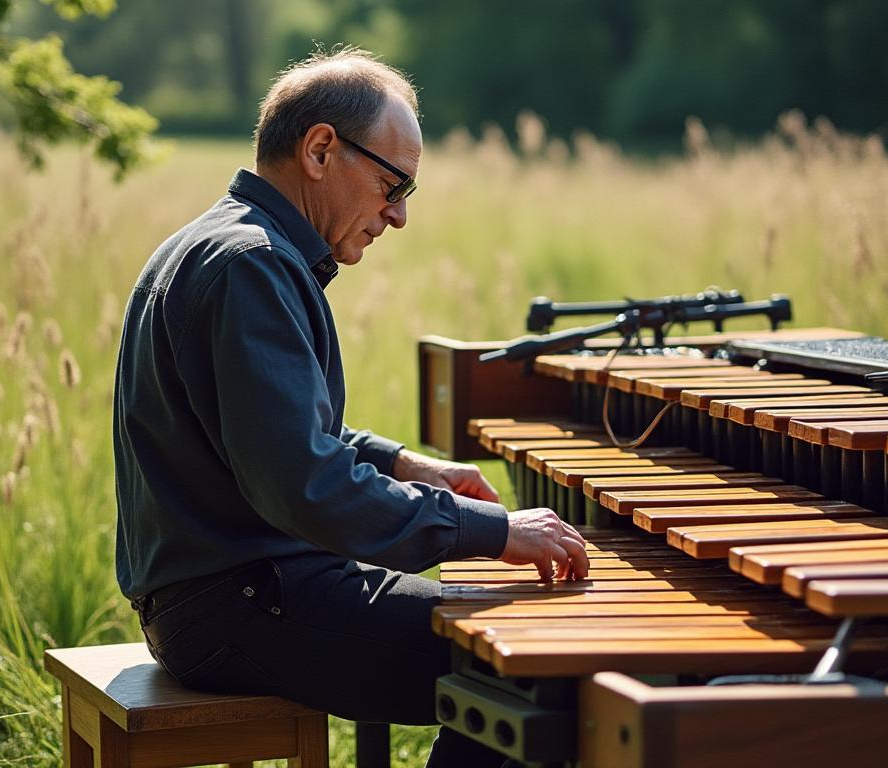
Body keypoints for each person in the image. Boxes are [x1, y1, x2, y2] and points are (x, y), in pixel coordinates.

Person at [112, 47, 589, 767]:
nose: (397, 215)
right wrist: (492, 530)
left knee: (507, 644)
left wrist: (401, 463)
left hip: (222, 594)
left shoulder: (221, 241)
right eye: (392, 184)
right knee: (527, 664)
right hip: (243, 604)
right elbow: (303, 484)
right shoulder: (253, 263)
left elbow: (263, 434)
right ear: (321, 149)